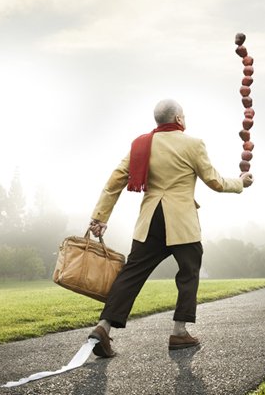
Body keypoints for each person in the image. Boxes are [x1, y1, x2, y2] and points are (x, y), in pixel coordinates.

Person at [86, 99, 254, 357]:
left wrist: (100, 216)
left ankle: (103, 327)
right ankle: (178, 332)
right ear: (178, 119)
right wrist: (241, 183)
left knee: (132, 274)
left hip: (150, 219)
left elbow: (114, 182)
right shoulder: (193, 144)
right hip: (181, 221)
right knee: (189, 272)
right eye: (184, 116)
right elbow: (215, 182)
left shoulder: (140, 145)